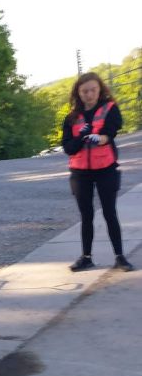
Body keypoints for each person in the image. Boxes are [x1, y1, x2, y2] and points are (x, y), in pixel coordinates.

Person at [61, 72, 132, 272]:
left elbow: (110, 134)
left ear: (100, 90)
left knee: (110, 213)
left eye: (93, 90)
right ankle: (86, 257)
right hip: (80, 172)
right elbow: (68, 147)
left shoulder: (110, 109)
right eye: (85, 91)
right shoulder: (71, 117)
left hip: (106, 169)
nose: (89, 94)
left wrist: (98, 138)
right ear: (78, 93)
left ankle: (120, 257)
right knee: (86, 215)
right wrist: (82, 137)